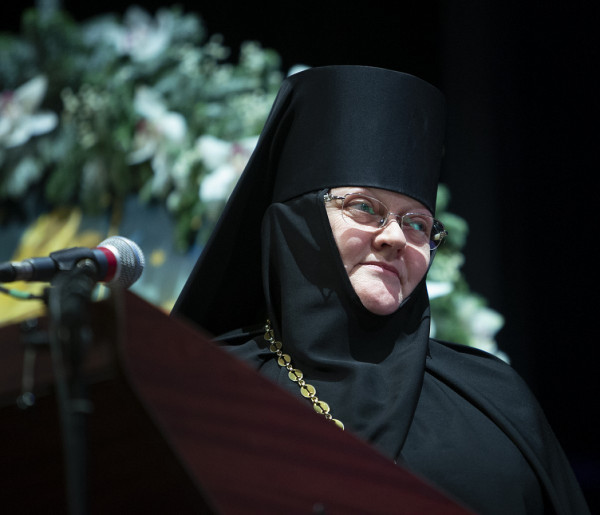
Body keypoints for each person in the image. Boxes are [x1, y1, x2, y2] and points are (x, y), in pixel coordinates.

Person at [172, 65, 589, 514]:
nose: (395, 238)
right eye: (365, 208)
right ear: (298, 222)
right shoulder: (206, 392)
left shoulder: (496, 400)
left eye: (418, 224)